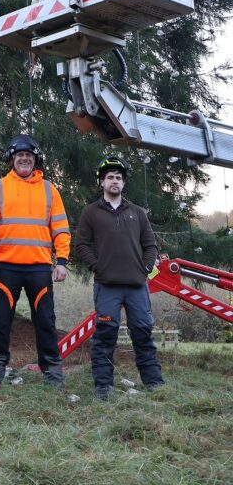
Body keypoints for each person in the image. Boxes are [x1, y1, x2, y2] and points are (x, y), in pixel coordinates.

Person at [0, 134, 70, 389]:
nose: (24, 159)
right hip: (5, 267)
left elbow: (61, 229)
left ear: (35, 160)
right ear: (12, 159)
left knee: (45, 322)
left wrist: (62, 261)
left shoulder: (49, 189)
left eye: (29, 156)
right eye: (19, 155)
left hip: (39, 268)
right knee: (0, 322)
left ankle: (52, 374)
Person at [75, 156, 165, 399]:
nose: (114, 181)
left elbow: (150, 245)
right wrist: (97, 266)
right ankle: (103, 386)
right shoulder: (90, 212)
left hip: (136, 285)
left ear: (123, 184)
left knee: (143, 333)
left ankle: (154, 382)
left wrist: (145, 267)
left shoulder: (138, 213)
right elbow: (82, 244)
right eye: (110, 177)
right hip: (107, 285)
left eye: (118, 177)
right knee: (105, 334)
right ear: (102, 182)